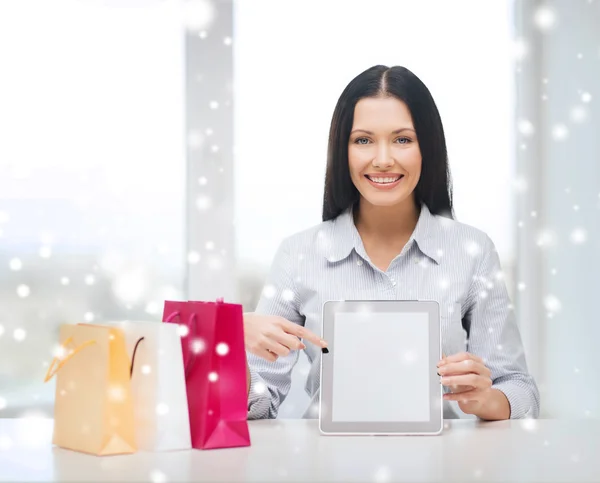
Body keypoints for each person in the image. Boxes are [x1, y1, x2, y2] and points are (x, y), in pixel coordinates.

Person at [243, 65, 540, 421]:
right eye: (363, 140)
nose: (383, 159)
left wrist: (486, 399)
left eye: (402, 139)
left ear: (426, 147)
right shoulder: (298, 255)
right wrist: (230, 339)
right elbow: (259, 403)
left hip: (440, 468)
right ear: (343, 150)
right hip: (325, 466)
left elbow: (521, 389)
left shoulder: (472, 252)